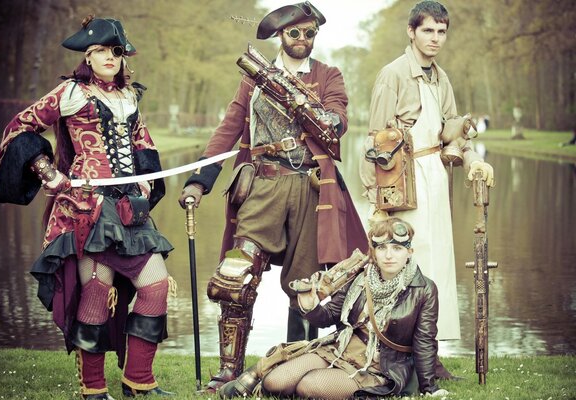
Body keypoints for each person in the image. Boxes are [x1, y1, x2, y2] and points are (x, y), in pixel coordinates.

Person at [177, 1, 367, 392]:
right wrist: (199, 181)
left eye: (309, 33)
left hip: (310, 188)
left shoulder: (328, 75)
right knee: (235, 277)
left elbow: (338, 120)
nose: (302, 39)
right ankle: (229, 370)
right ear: (280, 35)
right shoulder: (253, 77)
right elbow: (228, 129)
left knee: (307, 287)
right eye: (294, 33)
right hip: (262, 185)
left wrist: (311, 107)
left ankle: (294, 366)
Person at [0, 15, 176, 399]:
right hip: (86, 207)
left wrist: (145, 176)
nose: (110, 57)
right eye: (101, 51)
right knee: (96, 290)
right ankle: (93, 389)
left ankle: (138, 381)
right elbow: (18, 127)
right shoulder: (70, 93)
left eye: (117, 50)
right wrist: (47, 172)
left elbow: (143, 142)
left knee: (156, 285)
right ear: (88, 57)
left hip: (130, 207)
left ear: (124, 57)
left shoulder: (130, 96)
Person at [359, 0, 494, 379]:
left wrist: (472, 159)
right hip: (404, 181)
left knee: (436, 267)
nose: (435, 38)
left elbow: (451, 128)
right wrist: (376, 199)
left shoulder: (440, 76)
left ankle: (429, 356)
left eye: (441, 31)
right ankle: (397, 358)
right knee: (406, 267)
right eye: (428, 31)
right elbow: (376, 143)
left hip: (435, 175)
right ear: (411, 31)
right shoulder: (393, 75)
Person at [220, 217, 449, 399]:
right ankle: (264, 373)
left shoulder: (424, 289)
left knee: (309, 386)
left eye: (397, 248)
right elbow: (329, 316)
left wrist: (428, 386)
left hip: (381, 365)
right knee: (275, 383)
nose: (389, 255)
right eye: (382, 248)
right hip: (340, 348)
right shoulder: (359, 276)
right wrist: (311, 307)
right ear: (374, 252)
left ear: (409, 252)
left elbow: (425, 340)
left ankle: (327, 380)